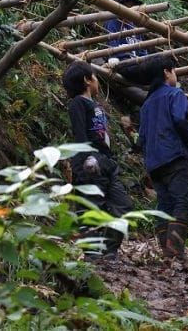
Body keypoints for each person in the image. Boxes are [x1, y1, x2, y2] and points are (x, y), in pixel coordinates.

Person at [62, 61, 133, 258]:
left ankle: (109, 253)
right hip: (89, 164)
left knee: (123, 205)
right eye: (94, 76)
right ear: (87, 80)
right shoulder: (77, 103)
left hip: (105, 162)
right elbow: (79, 133)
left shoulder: (96, 105)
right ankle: (93, 257)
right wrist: (87, 157)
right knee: (90, 209)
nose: (96, 80)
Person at [138, 56, 188, 258]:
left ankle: (165, 251)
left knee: (164, 204)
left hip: (154, 162)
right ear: (167, 72)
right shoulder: (175, 94)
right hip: (174, 156)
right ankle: (175, 252)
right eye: (174, 71)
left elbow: (141, 138)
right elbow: (179, 120)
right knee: (180, 202)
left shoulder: (147, 104)